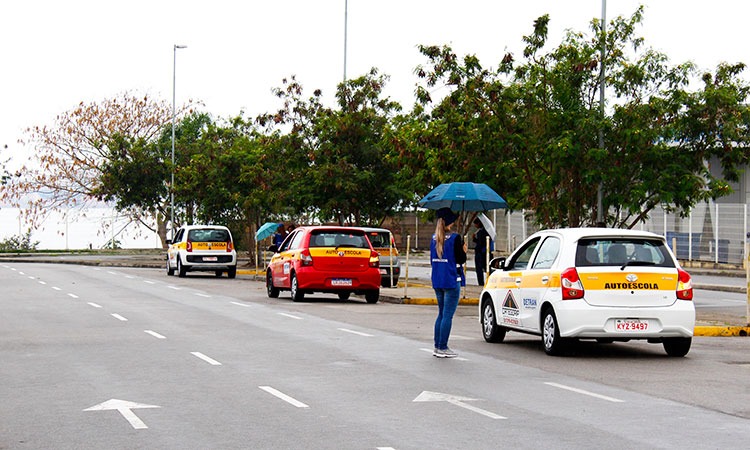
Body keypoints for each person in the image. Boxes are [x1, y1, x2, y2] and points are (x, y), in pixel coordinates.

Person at [430, 207, 467, 358]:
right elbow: (461, 260)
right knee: (447, 316)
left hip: (438, 280)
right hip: (451, 280)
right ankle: (443, 347)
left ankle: (437, 345)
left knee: (441, 314)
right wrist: (464, 250)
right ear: (450, 221)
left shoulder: (434, 238)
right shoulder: (455, 238)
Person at [472, 217, 492, 286]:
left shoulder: (481, 232)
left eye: (476, 224)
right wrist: (474, 239)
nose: (475, 226)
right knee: (486, 269)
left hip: (480, 253)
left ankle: (481, 283)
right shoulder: (484, 231)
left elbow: (480, 243)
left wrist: (475, 239)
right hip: (483, 252)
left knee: (480, 269)